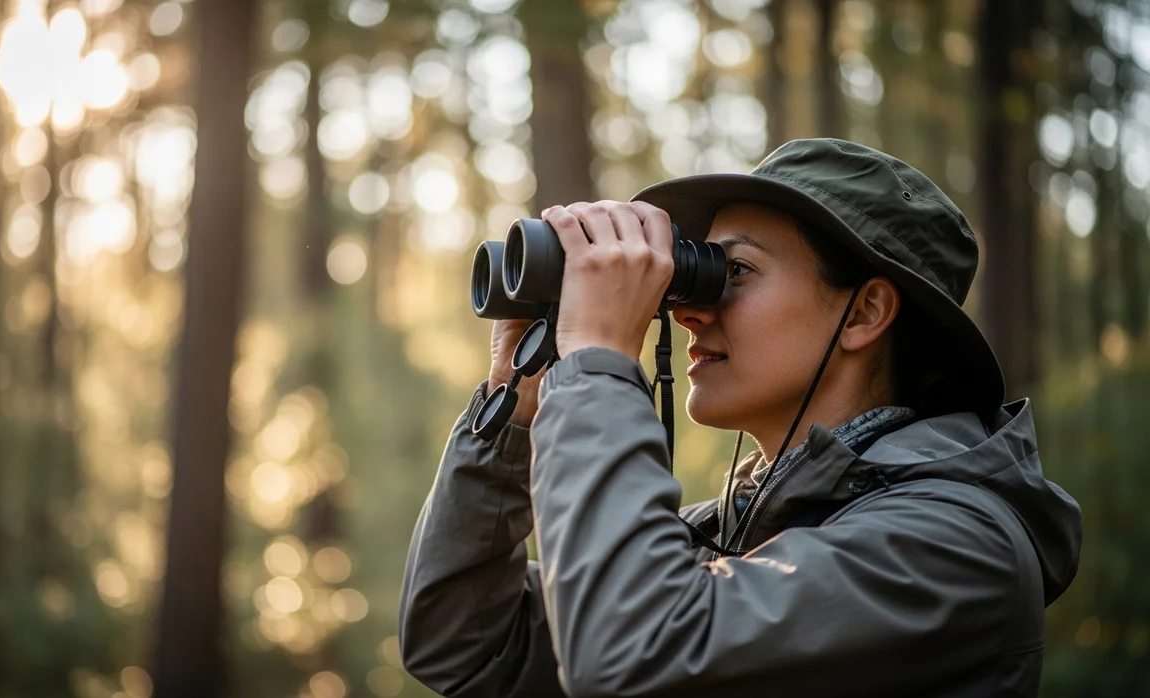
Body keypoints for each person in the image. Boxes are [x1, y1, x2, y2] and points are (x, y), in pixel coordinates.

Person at [398, 138, 1082, 697]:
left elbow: (629, 656)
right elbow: (464, 645)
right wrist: (515, 407)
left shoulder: (956, 547)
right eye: (700, 273)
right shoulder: (730, 532)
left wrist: (599, 360)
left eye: (738, 273)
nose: (690, 310)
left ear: (866, 313)